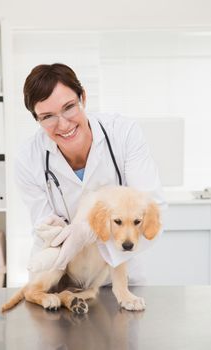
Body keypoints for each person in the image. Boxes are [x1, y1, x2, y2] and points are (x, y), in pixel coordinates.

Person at [15, 63, 166, 284]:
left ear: (83, 98)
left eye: (69, 107)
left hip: (119, 276)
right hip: (60, 276)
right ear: (36, 119)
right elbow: (45, 226)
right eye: (47, 116)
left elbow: (153, 210)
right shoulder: (29, 158)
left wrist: (87, 231)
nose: (63, 124)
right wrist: (55, 233)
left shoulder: (122, 133)